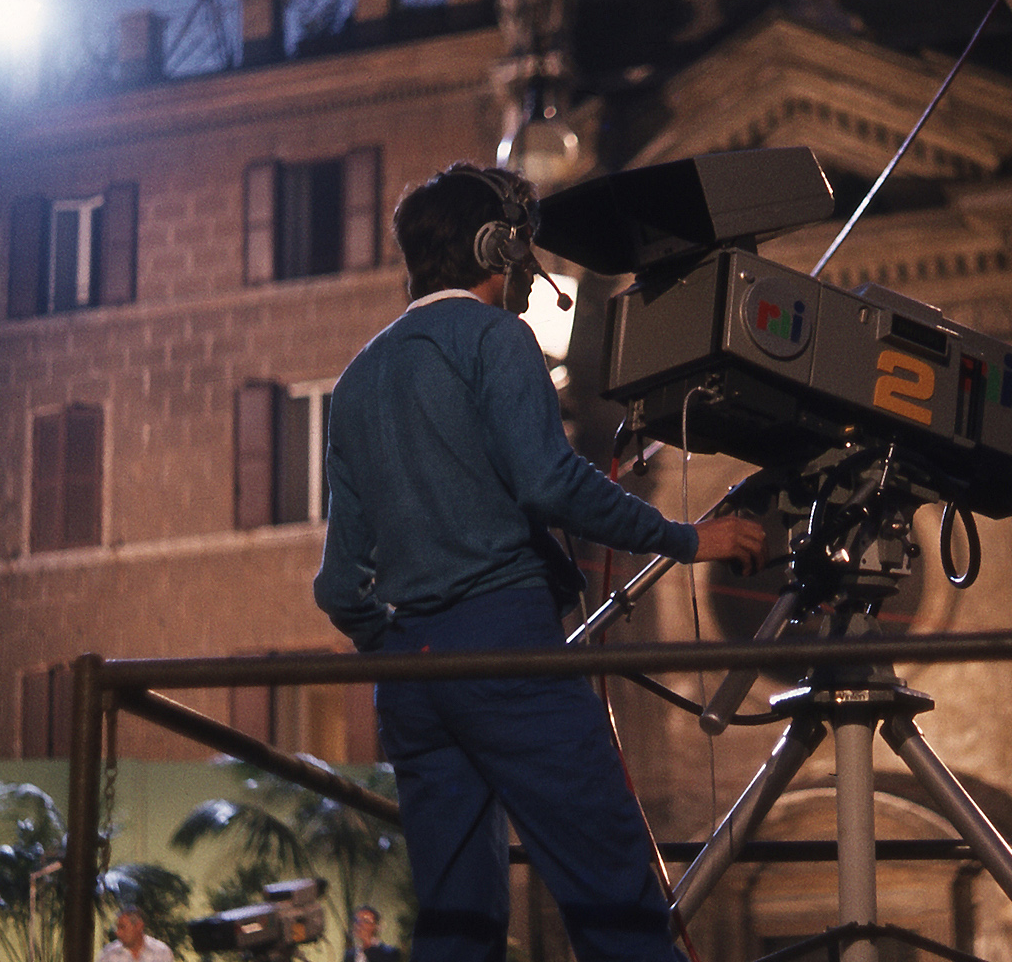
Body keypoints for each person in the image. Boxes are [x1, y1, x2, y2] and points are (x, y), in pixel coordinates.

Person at [314, 163, 766, 962]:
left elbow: (338, 584)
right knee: (611, 891)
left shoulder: (355, 379)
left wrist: (401, 649)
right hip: (508, 647)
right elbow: (549, 481)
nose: (531, 265)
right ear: (497, 247)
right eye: (521, 246)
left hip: (411, 680)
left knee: (457, 922)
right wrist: (688, 538)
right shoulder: (494, 338)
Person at [94, 906, 172, 962]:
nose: (117, 933)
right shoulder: (108, 954)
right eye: (117, 928)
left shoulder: (161, 952)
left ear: (139, 926)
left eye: (122, 927)